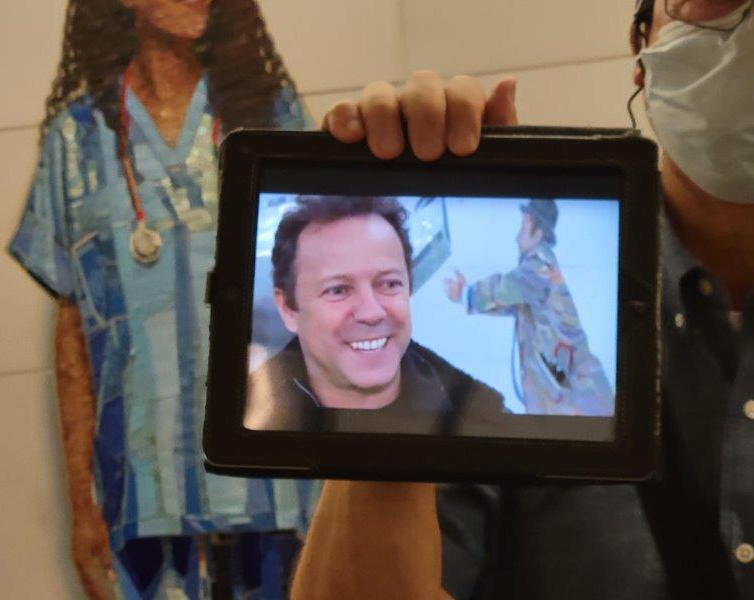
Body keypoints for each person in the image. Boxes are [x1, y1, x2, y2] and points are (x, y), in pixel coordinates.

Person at [290, 0, 754, 598]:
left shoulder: (541, 273)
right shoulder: (524, 363)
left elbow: (497, 291)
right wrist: (395, 190)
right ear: (642, 48)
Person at [8, 1, 316, 598]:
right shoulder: (77, 140)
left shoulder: (270, 113)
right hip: (143, 493)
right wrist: (81, 502)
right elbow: (72, 324)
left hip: (275, 487)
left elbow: (325, 292)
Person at [245, 195, 506, 435]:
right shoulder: (250, 419)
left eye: (389, 284)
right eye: (338, 290)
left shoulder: (481, 417)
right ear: (288, 309)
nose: (372, 313)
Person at [444, 199, 614, 416]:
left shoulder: (539, 267)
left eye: (523, 227)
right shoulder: (537, 279)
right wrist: (465, 297)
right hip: (565, 400)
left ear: (538, 232)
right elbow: (508, 303)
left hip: (582, 399)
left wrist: (466, 293)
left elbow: (507, 288)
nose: (516, 237)